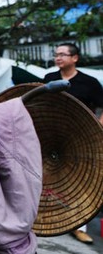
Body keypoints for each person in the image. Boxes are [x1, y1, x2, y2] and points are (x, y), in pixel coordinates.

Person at [43, 42, 103, 245]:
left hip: (80, 140)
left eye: (62, 54)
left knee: (79, 181)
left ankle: (78, 226)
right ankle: (45, 219)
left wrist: (97, 130)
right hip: (50, 137)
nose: (57, 58)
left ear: (75, 58)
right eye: (56, 54)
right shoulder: (49, 79)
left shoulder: (90, 82)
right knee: (46, 177)